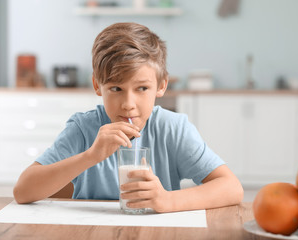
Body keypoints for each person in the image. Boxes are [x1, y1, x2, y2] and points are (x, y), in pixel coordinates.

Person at [13, 22, 244, 213]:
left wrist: (166, 200)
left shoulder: (173, 129)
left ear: (161, 85)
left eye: (142, 88)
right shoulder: (83, 128)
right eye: (116, 89)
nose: (128, 104)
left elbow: (232, 188)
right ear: (97, 85)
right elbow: (23, 191)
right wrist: (91, 156)